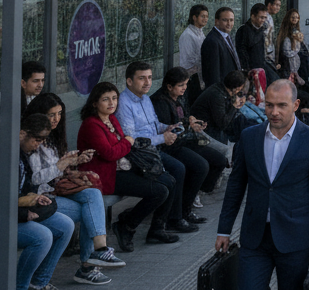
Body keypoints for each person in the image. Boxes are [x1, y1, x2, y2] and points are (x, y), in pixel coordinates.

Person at [216, 81, 309, 290]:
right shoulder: (249, 137)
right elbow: (235, 186)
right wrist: (224, 230)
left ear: (295, 105)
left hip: (295, 238)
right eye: (269, 105)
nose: (274, 112)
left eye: (281, 105)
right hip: (255, 237)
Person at [0, 113, 75, 290]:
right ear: (22, 134)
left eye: (42, 140)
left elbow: (23, 187)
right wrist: (23, 210)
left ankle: (38, 283)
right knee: (42, 237)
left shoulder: (20, 151)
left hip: (10, 214)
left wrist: (34, 197)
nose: (38, 145)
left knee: (65, 225)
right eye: (37, 139)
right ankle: (19, 286)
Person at [23, 94, 121, 285]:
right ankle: (89, 265)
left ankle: (97, 253)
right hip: (40, 197)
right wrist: (60, 166)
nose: (56, 119)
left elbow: (55, 171)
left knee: (93, 195)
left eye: (59, 114)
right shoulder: (32, 138)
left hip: (55, 191)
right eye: (51, 114)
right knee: (91, 210)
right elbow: (33, 179)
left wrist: (73, 162)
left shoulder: (52, 138)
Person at [77, 82, 178, 251]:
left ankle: (157, 229)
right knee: (160, 191)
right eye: (106, 99)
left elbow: (120, 148)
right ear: (94, 103)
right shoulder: (91, 125)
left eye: (114, 98)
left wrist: (125, 143)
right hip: (105, 176)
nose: (112, 103)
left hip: (123, 167)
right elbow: (110, 153)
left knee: (170, 181)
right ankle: (126, 226)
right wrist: (127, 142)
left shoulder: (111, 118)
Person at [115, 62, 198, 236]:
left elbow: (153, 124)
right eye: (142, 78)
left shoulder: (145, 98)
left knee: (182, 168)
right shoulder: (124, 103)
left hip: (152, 150)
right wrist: (162, 138)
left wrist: (167, 128)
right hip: (136, 155)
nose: (147, 82)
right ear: (129, 81)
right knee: (176, 171)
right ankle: (162, 224)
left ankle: (166, 222)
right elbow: (132, 140)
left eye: (150, 78)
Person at [153, 67, 229, 200]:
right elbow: (170, 129)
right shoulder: (160, 102)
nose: (185, 88)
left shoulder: (180, 96)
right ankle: (187, 199)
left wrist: (192, 121)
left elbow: (185, 115)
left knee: (221, 159)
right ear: (169, 86)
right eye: (181, 85)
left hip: (187, 138)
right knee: (201, 165)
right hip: (172, 145)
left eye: (186, 84)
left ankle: (196, 191)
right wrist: (189, 127)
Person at [276, 9, 309, 120]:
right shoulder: (286, 36)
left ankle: (302, 113)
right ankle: (300, 116)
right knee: (304, 96)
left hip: (300, 72)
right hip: (290, 73)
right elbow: (287, 53)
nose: (295, 20)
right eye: (293, 17)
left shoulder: (298, 35)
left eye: (297, 18)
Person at [191, 69, 250, 144]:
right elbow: (223, 124)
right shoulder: (217, 96)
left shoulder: (221, 89)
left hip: (213, 126)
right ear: (236, 88)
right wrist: (234, 106)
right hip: (205, 129)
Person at [200, 7, 243, 90]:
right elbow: (212, 75)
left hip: (231, 88)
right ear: (217, 21)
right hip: (221, 90)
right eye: (225, 20)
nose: (229, 23)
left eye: (231, 20)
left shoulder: (226, 36)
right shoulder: (212, 41)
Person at [237, 3, 279, 82]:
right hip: (251, 71)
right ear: (253, 16)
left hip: (261, 67)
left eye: (265, 17)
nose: (263, 20)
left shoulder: (261, 29)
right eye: (261, 17)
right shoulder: (243, 30)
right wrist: (247, 71)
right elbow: (242, 52)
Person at [178, 4, 210, 104]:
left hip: (201, 76)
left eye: (207, 16)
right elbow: (188, 61)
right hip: (192, 78)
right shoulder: (187, 35)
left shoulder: (200, 33)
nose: (205, 19)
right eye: (202, 16)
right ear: (194, 17)